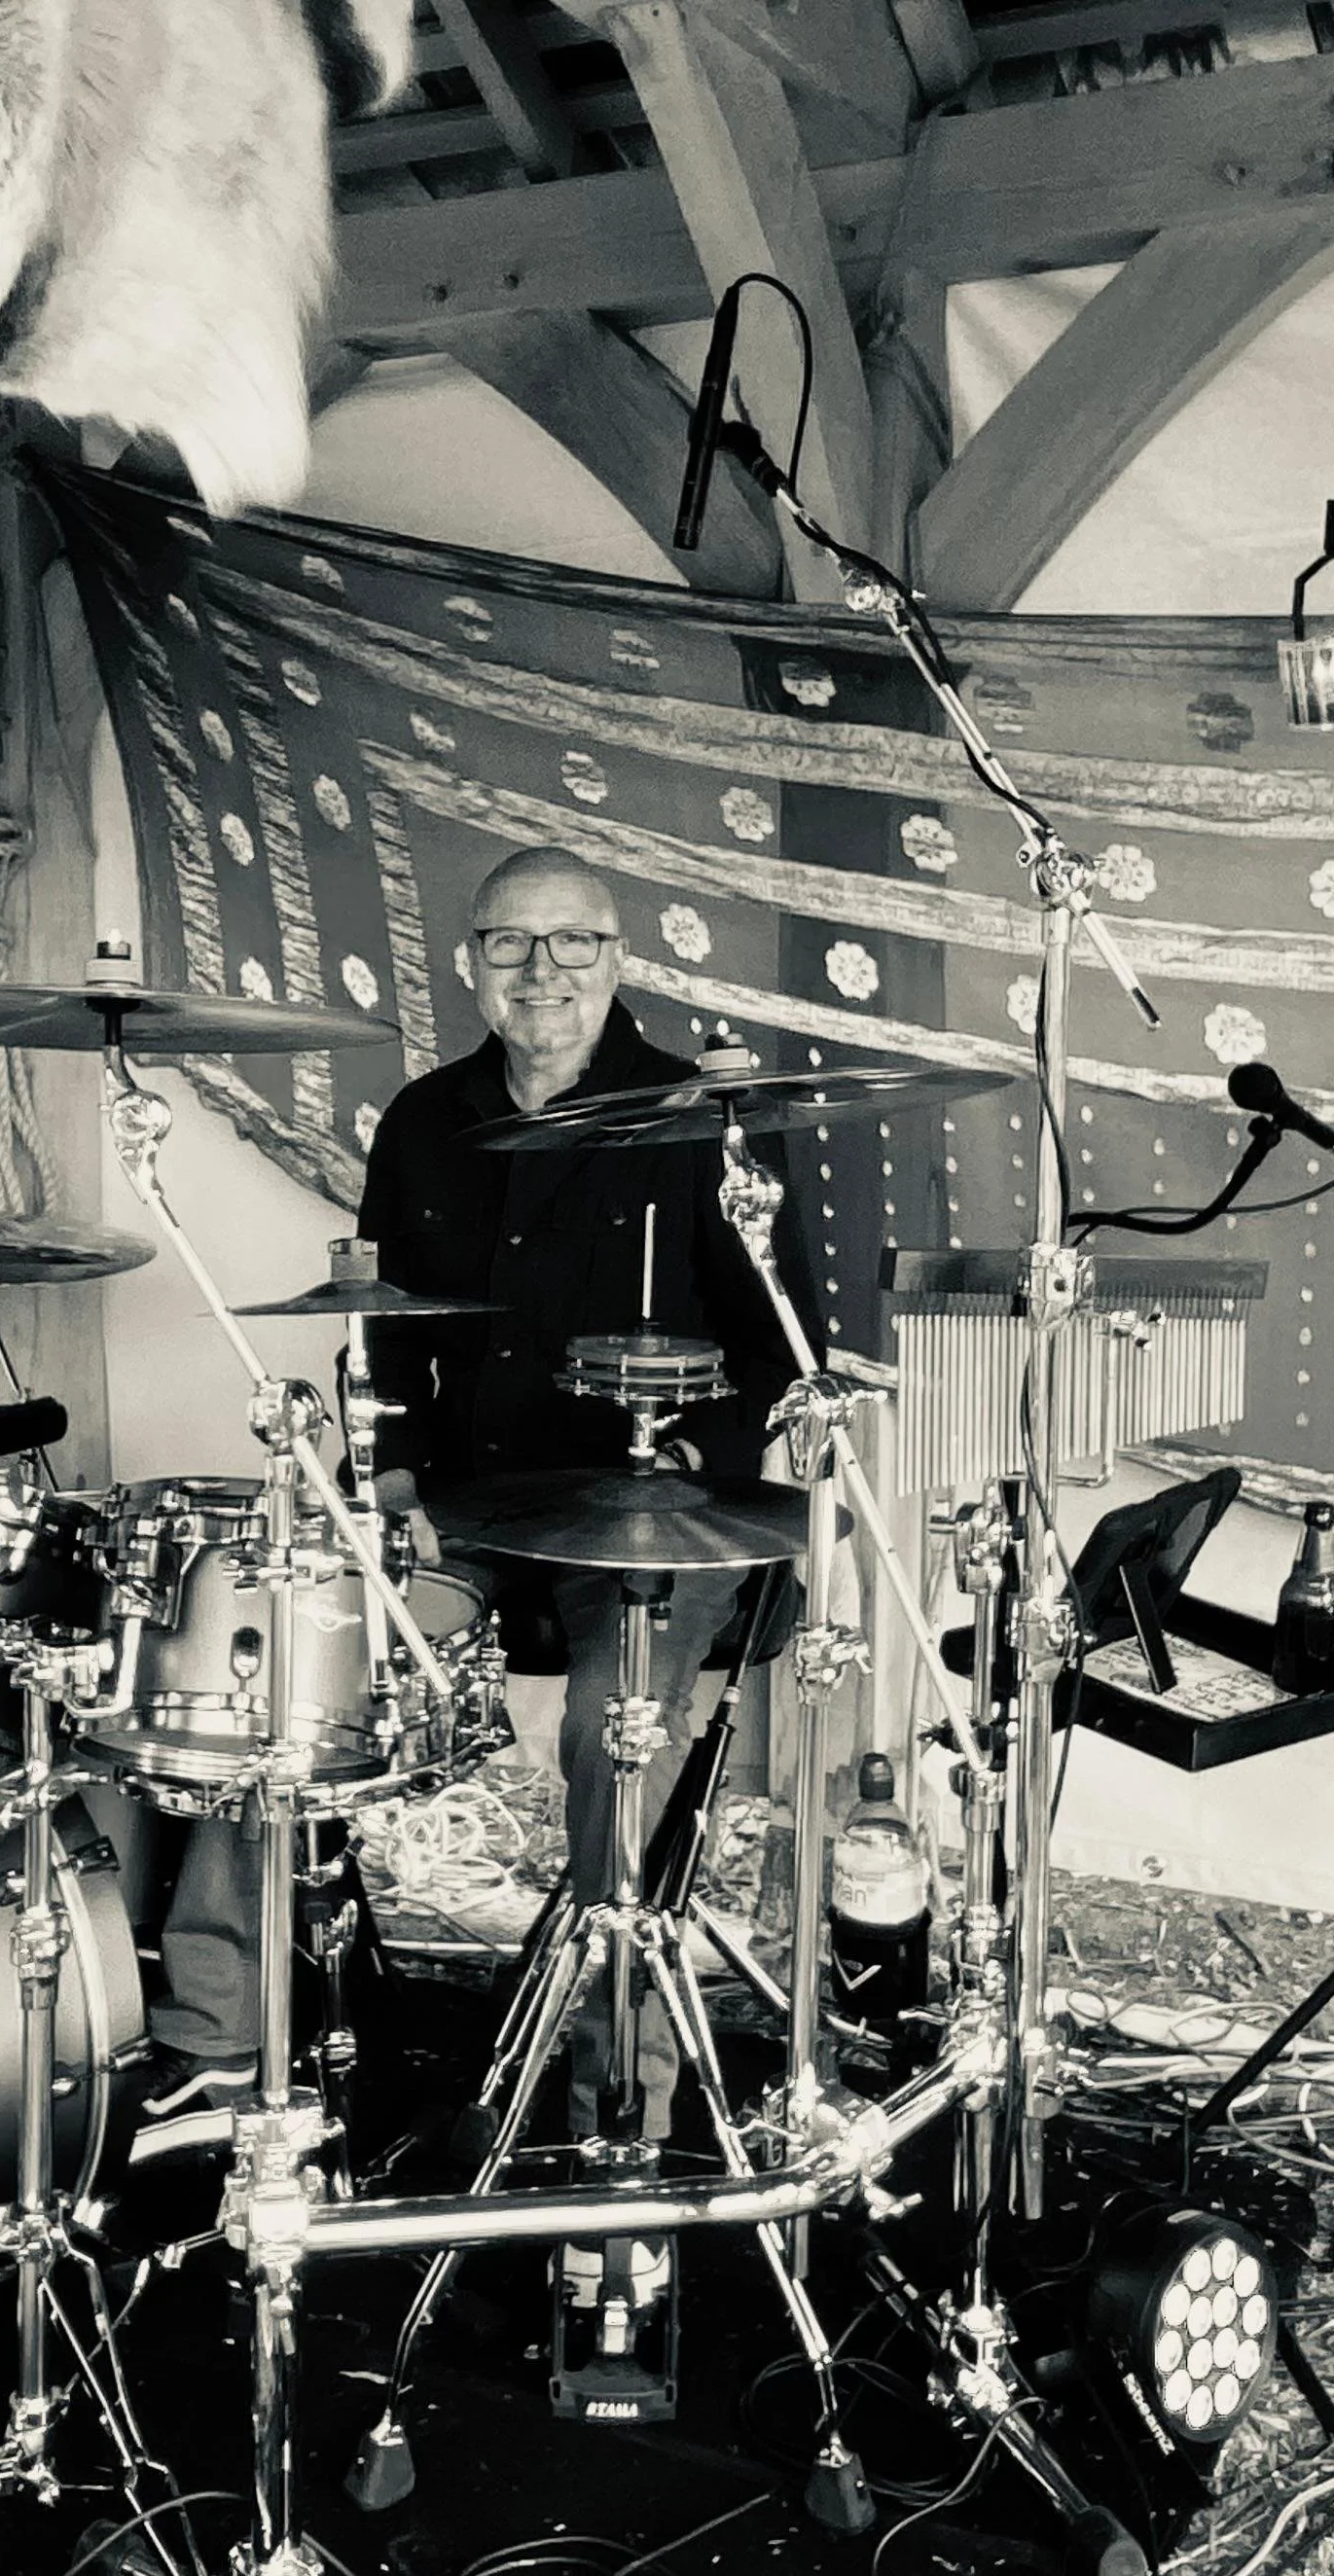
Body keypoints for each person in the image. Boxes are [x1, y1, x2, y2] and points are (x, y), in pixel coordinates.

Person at [137, 846, 810, 2142]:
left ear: (617, 962)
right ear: (468, 962)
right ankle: (216, 2041)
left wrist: (692, 1454)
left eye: (571, 944)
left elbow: (784, 1350)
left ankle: (618, 2090)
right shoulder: (421, 1119)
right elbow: (382, 1334)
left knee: (618, 1733)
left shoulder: (707, 1120)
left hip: (639, 1520)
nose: (540, 970)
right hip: (463, 1500)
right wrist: (384, 1473)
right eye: (510, 942)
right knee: (282, 1661)